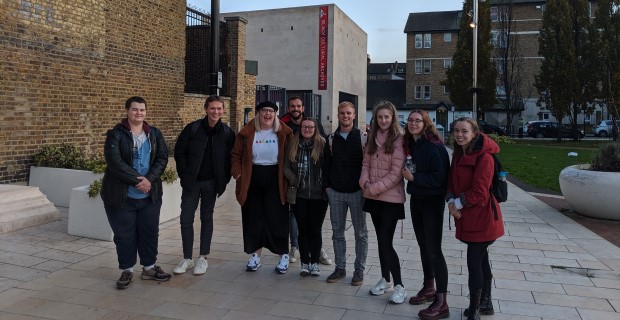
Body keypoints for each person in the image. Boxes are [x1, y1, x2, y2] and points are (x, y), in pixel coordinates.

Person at [101, 96, 171, 289]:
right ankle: (127, 270)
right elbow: (114, 161)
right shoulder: (116, 134)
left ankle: (149, 267)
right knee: (124, 235)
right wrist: (138, 181)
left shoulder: (154, 134)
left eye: (142, 110)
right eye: (134, 109)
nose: (138, 113)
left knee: (150, 232)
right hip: (123, 196)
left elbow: (162, 159)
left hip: (150, 196)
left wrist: (149, 180)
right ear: (127, 111)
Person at [447, 118, 505, 320]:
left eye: (464, 131)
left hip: (484, 217)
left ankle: (474, 309)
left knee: (474, 262)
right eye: (456, 131)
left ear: (474, 133)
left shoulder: (484, 157)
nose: (459, 134)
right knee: (481, 261)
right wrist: (450, 201)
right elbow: (451, 183)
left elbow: (480, 192)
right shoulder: (458, 153)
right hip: (468, 216)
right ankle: (486, 303)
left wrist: (457, 204)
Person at [173, 95, 235, 275]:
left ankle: (203, 258)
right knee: (186, 218)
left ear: (223, 110)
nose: (216, 112)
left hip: (211, 183)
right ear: (206, 109)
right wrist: (184, 175)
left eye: (219, 109)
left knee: (206, 218)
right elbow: (179, 151)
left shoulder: (227, 133)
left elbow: (231, 159)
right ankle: (187, 258)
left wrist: (223, 180)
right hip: (192, 183)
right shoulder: (192, 128)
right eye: (212, 108)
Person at [231, 100, 294, 273]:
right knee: (253, 217)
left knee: (278, 217)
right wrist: (238, 174)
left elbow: (291, 156)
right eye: (264, 111)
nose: (267, 114)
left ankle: (283, 255)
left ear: (275, 114)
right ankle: (255, 255)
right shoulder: (246, 133)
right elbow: (235, 155)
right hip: (252, 177)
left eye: (271, 111)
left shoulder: (285, 133)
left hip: (276, 177)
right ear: (258, 113)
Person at [402, 110, 451, 319]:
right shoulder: (413, 143)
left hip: (432, 202)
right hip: (417, 200)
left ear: (426, 123)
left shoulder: (434, 146)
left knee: (434, 250)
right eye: (411, 120)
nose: (413, 123)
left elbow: (440, 179)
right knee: (424, 246)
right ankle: (429, 286)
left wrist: (414, 178)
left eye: (418, 121)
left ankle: (442, 301)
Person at [360, 101, 407, 304]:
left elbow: (396, 173)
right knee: (380, 242)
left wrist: (374, 187)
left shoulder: (399, 140)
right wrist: (364, 182)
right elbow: (366, 163)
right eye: (380, 117)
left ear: (393, 117)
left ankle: (399, 285)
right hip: (373, 197)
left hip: (390, 198)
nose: (383, 120)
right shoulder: (372, 137)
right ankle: (385, 279)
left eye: (387, 117)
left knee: (387, 242)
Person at [281, 96, 332, 265]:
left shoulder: (314, 128)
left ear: (303, 108)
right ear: (288, 107)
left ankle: (317, 250)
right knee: (296, 220)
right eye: (292, 106)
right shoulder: (283, 125)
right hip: (297, 185)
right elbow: (285, 159)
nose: (295, 108)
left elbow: (326, 155)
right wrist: (293, 178)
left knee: (314, 224)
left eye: (298, 106)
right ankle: (295, 247)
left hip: (316, 188)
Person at [323, 101, 368, 286]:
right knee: (337, 233)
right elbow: (326, 165)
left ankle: (359, 270)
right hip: (336, 193)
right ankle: (340, 268)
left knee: (361, 234)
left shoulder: (363, 138)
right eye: (342, 113)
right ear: (338, 115)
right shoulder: (331, 139)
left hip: (357, 193)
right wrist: (328, 187)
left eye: (349, 113)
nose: (345, 116)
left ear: (354, 115)